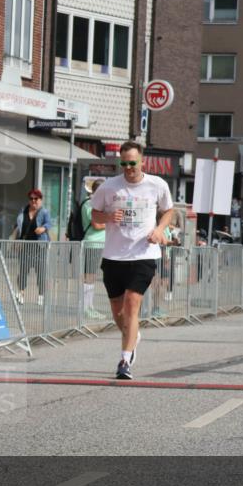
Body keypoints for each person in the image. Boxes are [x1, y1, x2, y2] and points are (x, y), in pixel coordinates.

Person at [91, 141, 174, 380]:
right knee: (118, 312)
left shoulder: (156, 185)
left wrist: (159, 230)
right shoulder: (109, 187)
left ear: (142, 162)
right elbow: (95, 213)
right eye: (124, 163)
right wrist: (107, 216)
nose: (128, 168)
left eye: (133, 163)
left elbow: (168, 210)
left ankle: (125, 360)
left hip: (143, 254)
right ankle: (132, 336)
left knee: (131, 304)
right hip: (114, 256)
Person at [13, 188, 52, 305]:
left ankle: (41, 295)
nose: (34, 201)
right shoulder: (23, 211)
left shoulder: (44, 212)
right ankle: (21, 293)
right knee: (23, 271)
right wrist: (16, 241)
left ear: (41, 200)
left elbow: (49, 223)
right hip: (25, 247)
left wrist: (43, 228)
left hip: (39, 247)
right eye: (31, 199)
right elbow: (17, 227)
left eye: (36, 199)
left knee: (40, 272)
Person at [81, 179, 106, 319]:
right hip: (92, 243)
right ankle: (86, 307)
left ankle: (89, 306)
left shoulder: (96, 204)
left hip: (98, 244)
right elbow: (96, 225)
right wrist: (110, 223)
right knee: (88, 277)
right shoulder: (90, 203)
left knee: (91, 276)